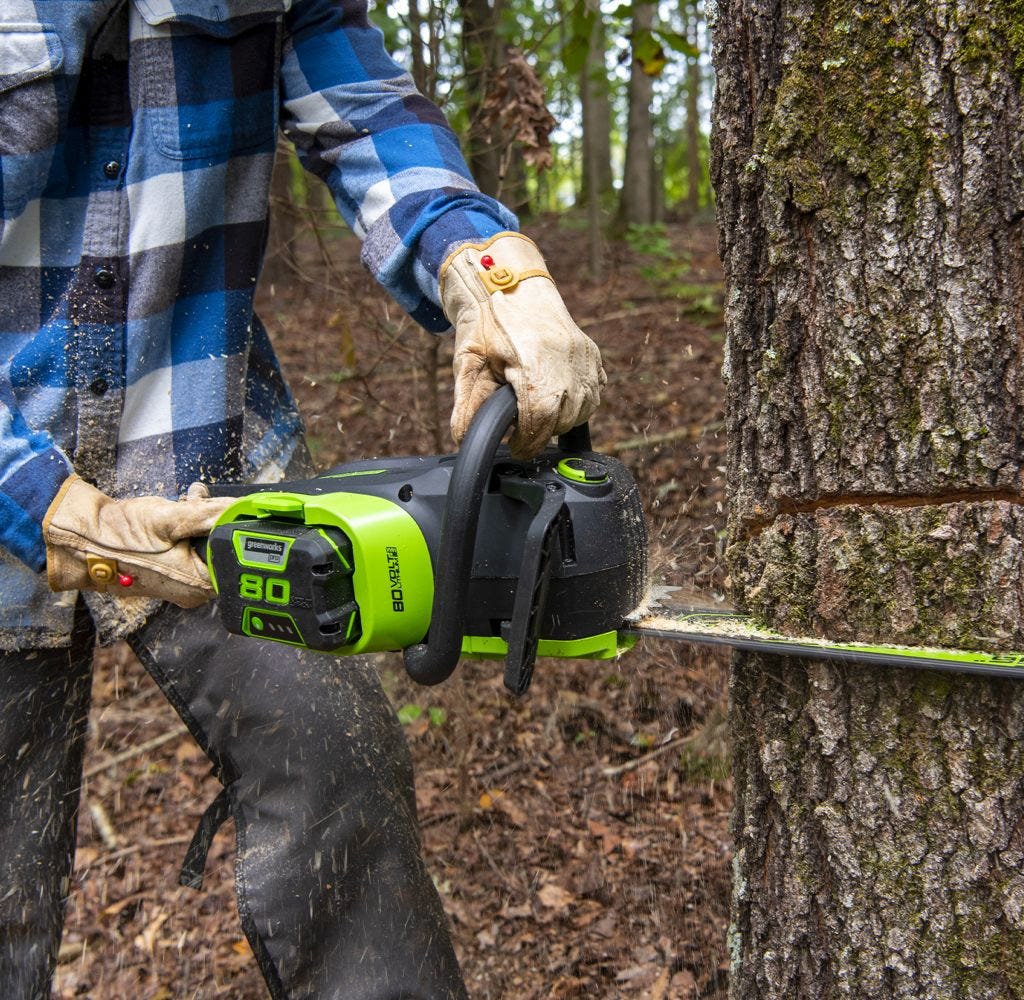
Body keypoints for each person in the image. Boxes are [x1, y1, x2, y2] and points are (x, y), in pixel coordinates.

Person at [0, 0, 604, 996]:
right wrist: (49, 506)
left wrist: (489, 269)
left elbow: (361, 103)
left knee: (338, 769)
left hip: (197, 443)